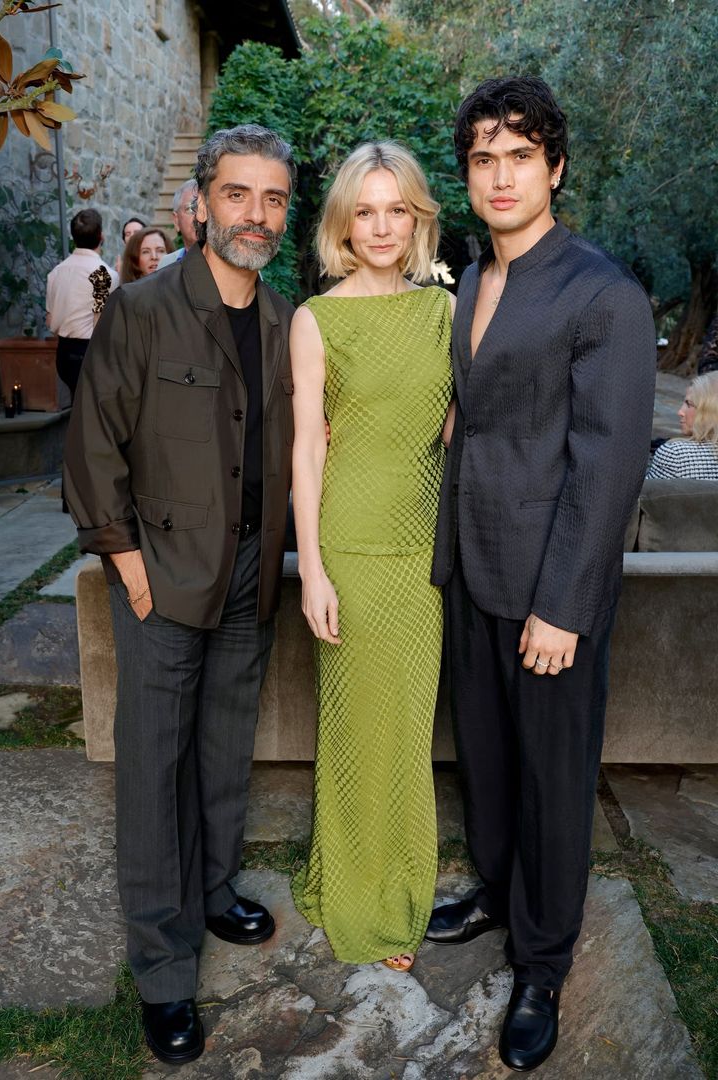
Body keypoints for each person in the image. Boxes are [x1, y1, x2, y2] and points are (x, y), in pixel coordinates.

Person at [426, 76, 657, 1071]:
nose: (501, 175)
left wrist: (562, 607)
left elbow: (607, 466)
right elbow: (478, 417)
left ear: (555, 168)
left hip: (550, 587)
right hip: (473, 566)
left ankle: (544, 961)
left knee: (555, 781)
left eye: (521, 156)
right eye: (484, 158)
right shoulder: (475, 277)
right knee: (485, 756)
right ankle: (496, 888)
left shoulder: (603, 292)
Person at [63, 124, 296, 1066]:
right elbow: (93, 444)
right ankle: (164, 970)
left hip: (250, 573)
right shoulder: (144, 308)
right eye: (238, 194)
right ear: (202, 202)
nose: (256, 214)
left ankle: (213, 889)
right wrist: (126, 565)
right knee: (155, 768)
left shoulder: (284, 320)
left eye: (273, 198)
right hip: (159, 571)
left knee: (223, 745)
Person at [290, 142, 455, 973]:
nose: (383, 227)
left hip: (423, 556)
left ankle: (398, 887)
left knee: (408, 731)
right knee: (356, 727)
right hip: (350, 550)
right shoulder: (316, 319)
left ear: (418, 218)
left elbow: (460, 425)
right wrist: (313, 572)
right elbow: (307, 451)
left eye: (398, 210)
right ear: (343, 223)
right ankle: (360, 895)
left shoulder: (445, 312)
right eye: (366, 211)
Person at [46, 208, 118, 403]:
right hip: (88, 352)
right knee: (89, 411)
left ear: (73, 236)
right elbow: (101, 322)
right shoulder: (103, 274)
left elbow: (49, 320)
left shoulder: (56, 272)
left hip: (63, 353)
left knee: (78, 407)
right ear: (101, 236)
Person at [647, 372, 718, 478]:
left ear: (711, 411)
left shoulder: (675, 455)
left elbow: (644, 489)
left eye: (689, 404)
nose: (680, 412)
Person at [158, 180, 199, 268]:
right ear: (176, 220)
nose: (199, 216)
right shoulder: (166, 265)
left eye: (206, 208)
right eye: (190, 209)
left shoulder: (229, 262)